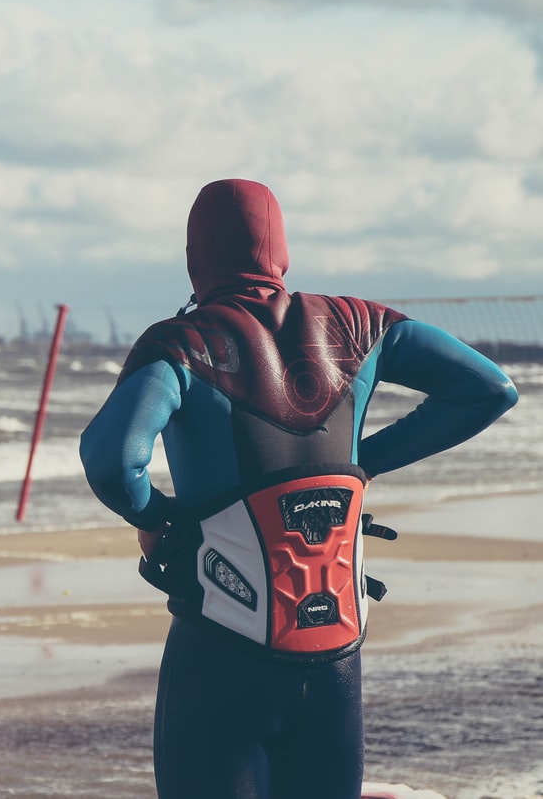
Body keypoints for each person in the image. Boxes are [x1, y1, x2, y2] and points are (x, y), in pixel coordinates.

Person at [79, 179, 517, 799]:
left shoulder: (182, 344)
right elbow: (490, 389)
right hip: (335, 655)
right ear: (280, 249)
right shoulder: (363, 325)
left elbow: (111, 460)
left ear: (194, 256)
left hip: (220, 650)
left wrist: (156, 516)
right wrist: (360, 466)